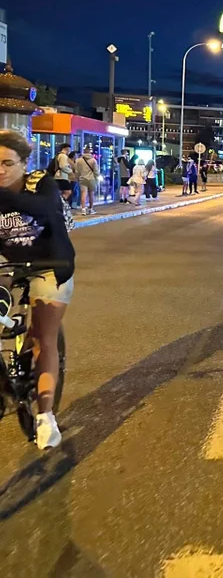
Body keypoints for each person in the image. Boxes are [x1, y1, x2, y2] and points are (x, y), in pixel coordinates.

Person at [0, 130, 75, 449]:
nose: (0, 170)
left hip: (49, 264)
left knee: (44, 337)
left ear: (24, 163)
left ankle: (46, 416)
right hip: (6, 263)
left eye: (7, 163)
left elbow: (45, 210)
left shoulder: (39, 184)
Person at [74, 146, 100, 216]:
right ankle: (91, 209)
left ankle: (83, 210)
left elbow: (76, 171)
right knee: (91, 194)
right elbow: (96, 171)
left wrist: (77, 178)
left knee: (83, 194)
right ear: (90, 152)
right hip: (91, 179)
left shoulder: (78, 160)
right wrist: (97, 177)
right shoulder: (93, 160)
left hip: (82, 179)